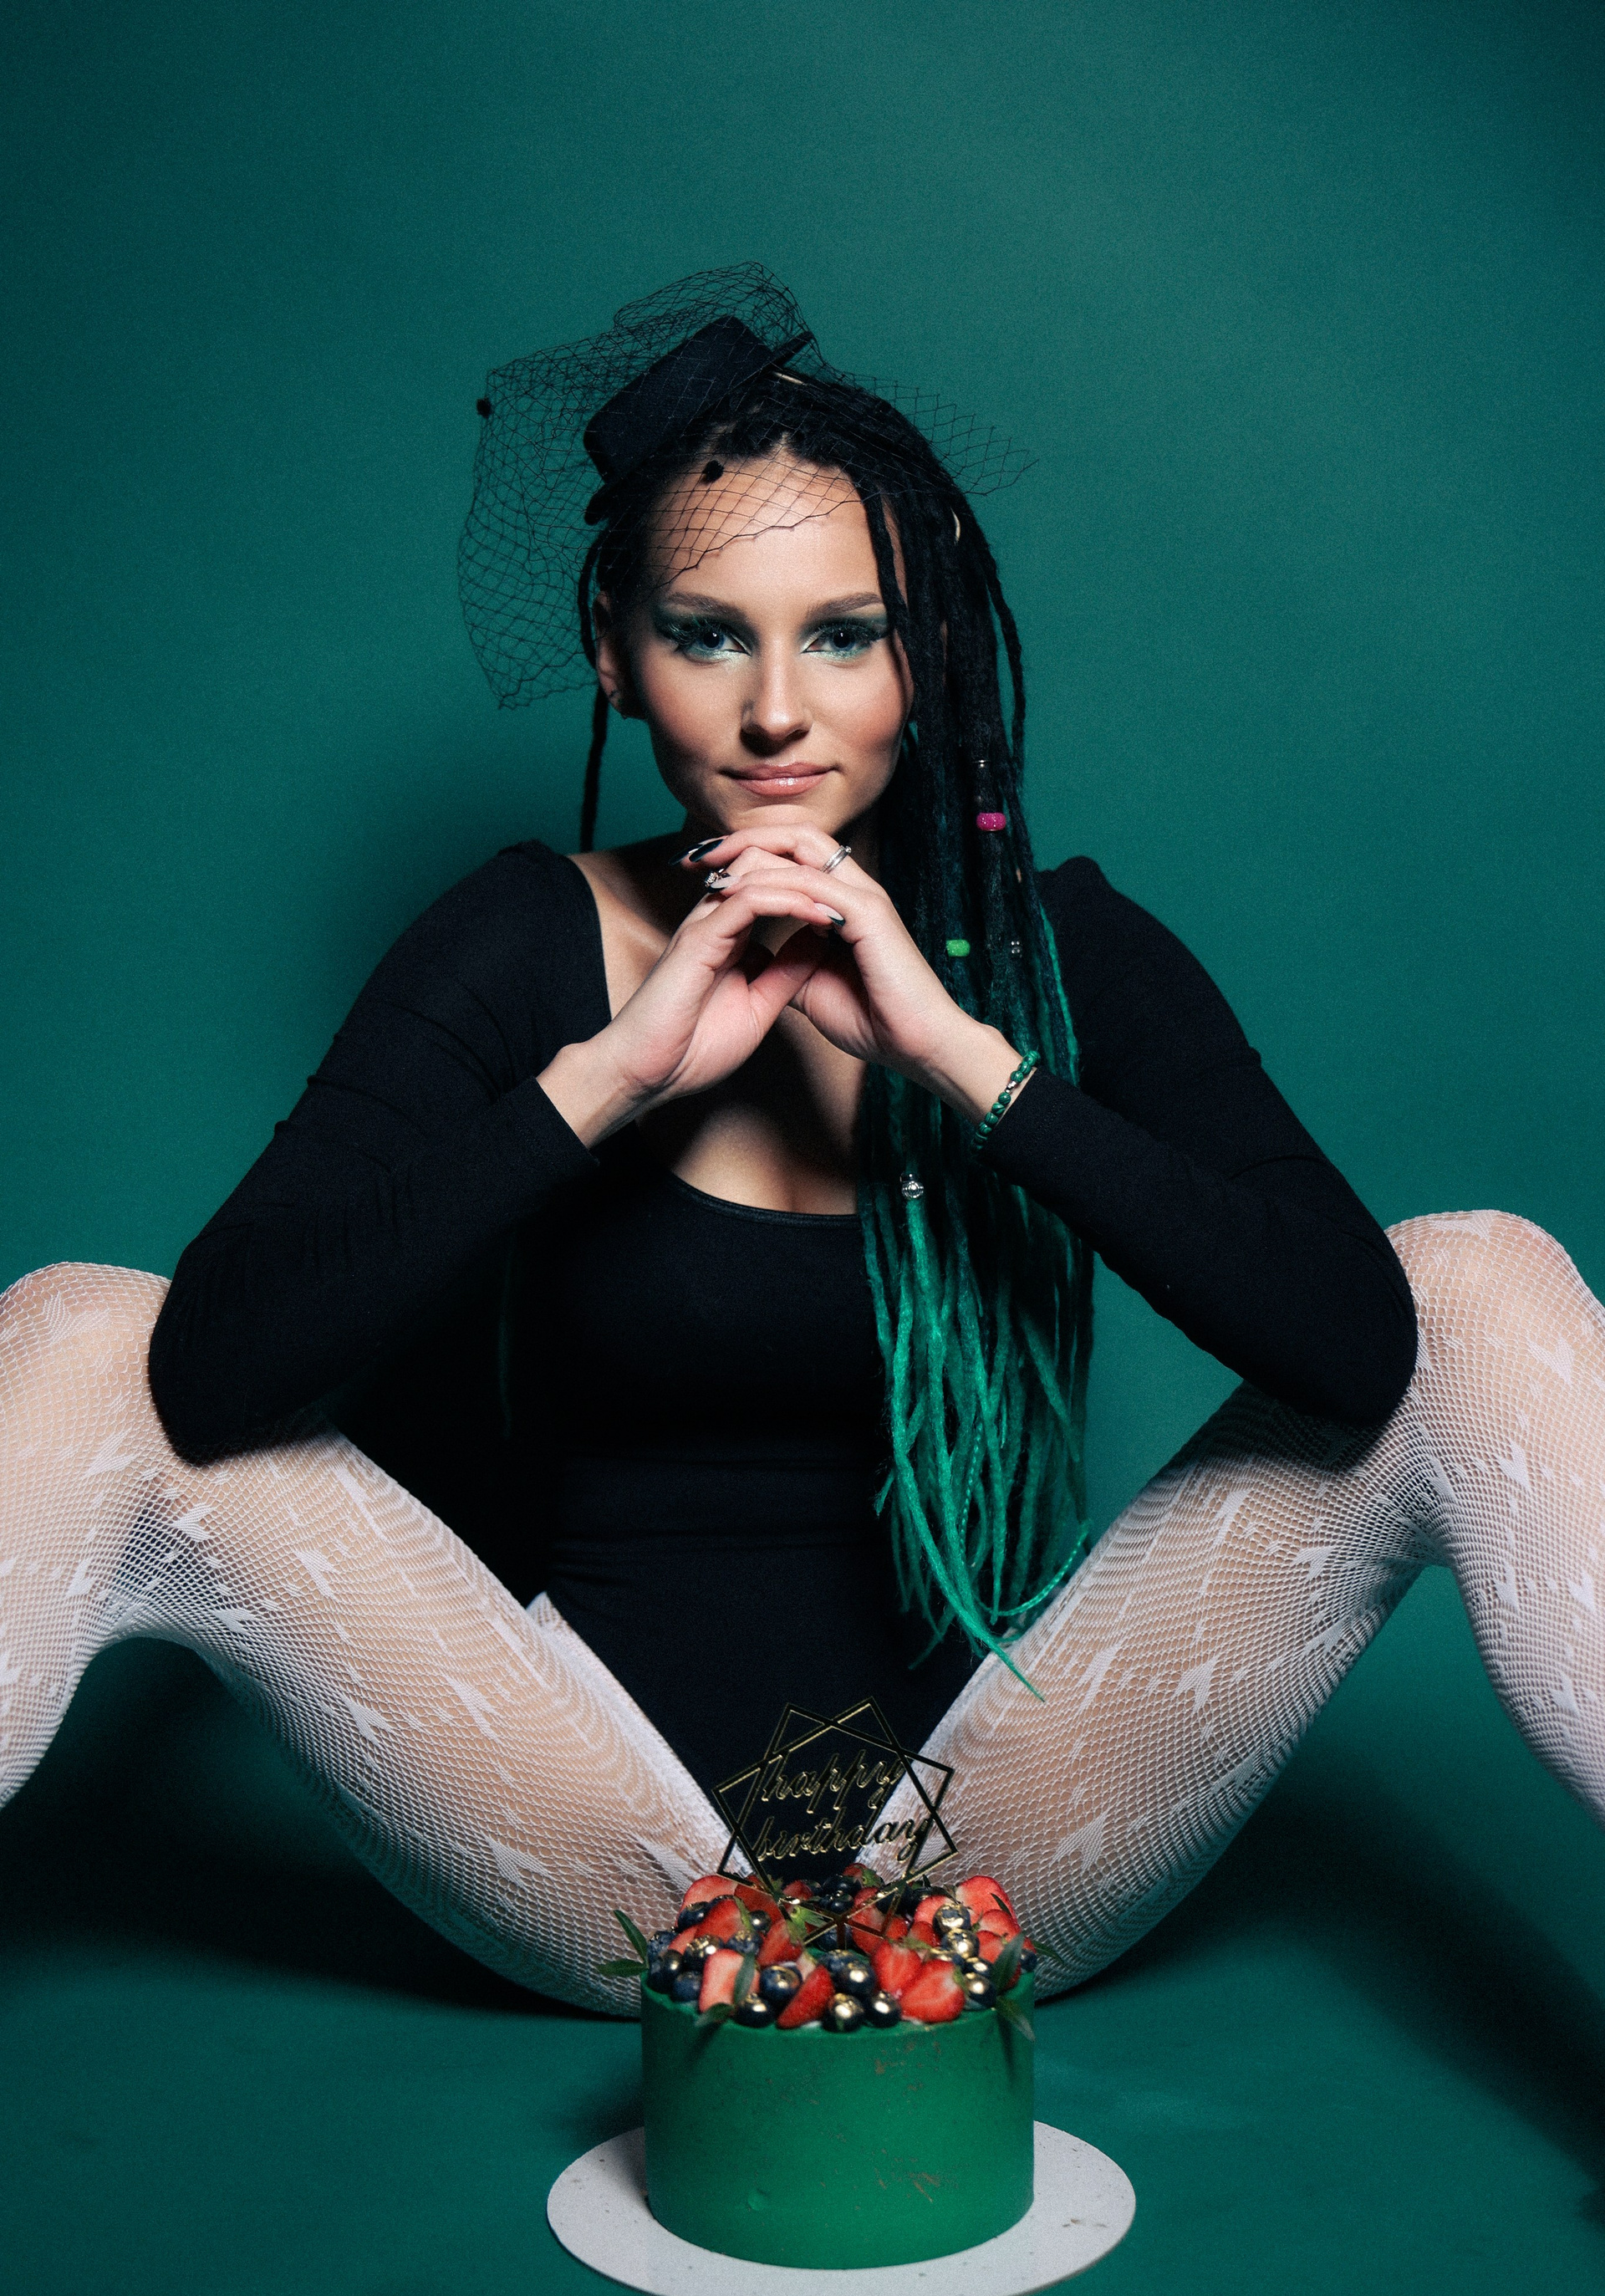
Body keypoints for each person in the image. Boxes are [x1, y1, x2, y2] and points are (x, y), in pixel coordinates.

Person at [2, 268, 1601, 2013]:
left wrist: (964, 1063)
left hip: (994, 1841)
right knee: (84, 1332)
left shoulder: (1060, 956)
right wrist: (605, 1080)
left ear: (930, 654)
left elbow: (1360, 1349)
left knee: (1476, 1283)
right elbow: (214, 1371)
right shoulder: (519, 945)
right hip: (598, 1831)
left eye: (846, 635)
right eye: (710, 635)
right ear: (614, 650)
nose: (779, 711)